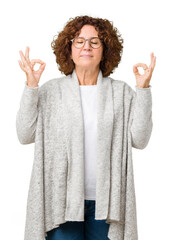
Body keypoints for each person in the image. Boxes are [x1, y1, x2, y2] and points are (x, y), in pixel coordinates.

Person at [17, 15, 156, 240]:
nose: (86, 47)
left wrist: (143, 89)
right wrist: (31, 86)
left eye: (94, 41)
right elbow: (24, 134)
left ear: (105, 49)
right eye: (79, 41)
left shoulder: (120, 93)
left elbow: (140, 139)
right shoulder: (51, 92)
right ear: (69, 48)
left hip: (107, 206)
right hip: (61, 204)